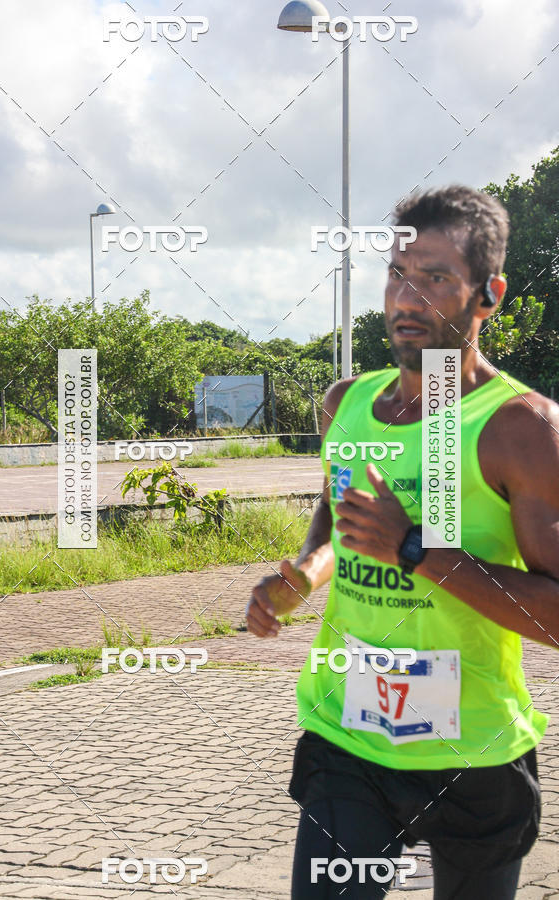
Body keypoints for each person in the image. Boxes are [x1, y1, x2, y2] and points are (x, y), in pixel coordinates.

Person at [246, 185, 559, 899]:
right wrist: (304, 573)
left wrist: (416, 549)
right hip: (348, 736)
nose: (407, 298)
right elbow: (337, 516)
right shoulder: (346, 403)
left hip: (473, 751)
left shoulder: (522, 429)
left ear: (489, 295)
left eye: (437, 279)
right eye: (397, 274)